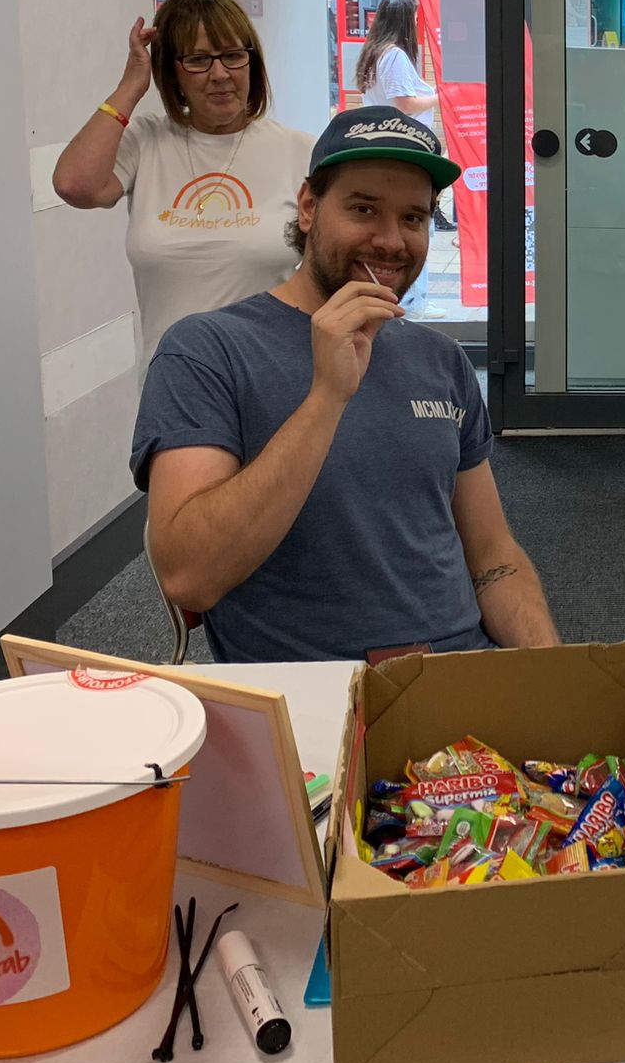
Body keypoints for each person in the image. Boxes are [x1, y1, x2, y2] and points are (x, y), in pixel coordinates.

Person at [132, 106, 559, 662]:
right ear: (308, 207)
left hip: (461, 680)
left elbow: (492, 556)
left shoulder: (442, 360)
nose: (390, 241)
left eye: (413, 218)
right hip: (321, 698)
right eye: (363, 209)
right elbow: (190, 577)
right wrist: (326, 396)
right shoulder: (208, 350)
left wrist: (553, 670)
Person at [53, 0, 314, 359]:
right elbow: (74, 184)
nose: (220, 73)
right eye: (198, 60)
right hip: (173, 388)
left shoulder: (300, 151)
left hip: (272, 381)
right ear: (171, 73)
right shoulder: (146, 142)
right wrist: (131, 85)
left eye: (233, 56)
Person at [355, 0, 449, 317]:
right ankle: (412, 301)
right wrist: (441, 97)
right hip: (404, 147)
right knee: (415, 225)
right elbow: (405, 103)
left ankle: (403, 299)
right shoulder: (393, 56)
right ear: (406, 21)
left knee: (394, 225)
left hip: (387, 146)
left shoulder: (374, 52)